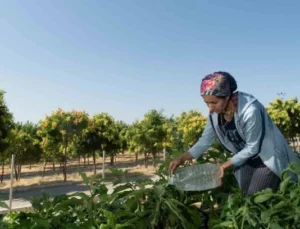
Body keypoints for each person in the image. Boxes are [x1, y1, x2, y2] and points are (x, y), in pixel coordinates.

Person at [168, 71, 300, 195]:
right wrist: (182, 158)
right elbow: (205, 140)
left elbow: (253, 147)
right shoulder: (214, 114)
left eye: (214, 102)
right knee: (244, 198)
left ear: (227, 96)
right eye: (206, 103)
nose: (210, 108)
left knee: (255, 200)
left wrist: (224, 165)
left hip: (265, 158)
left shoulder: (250, 111)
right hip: (244, 159)